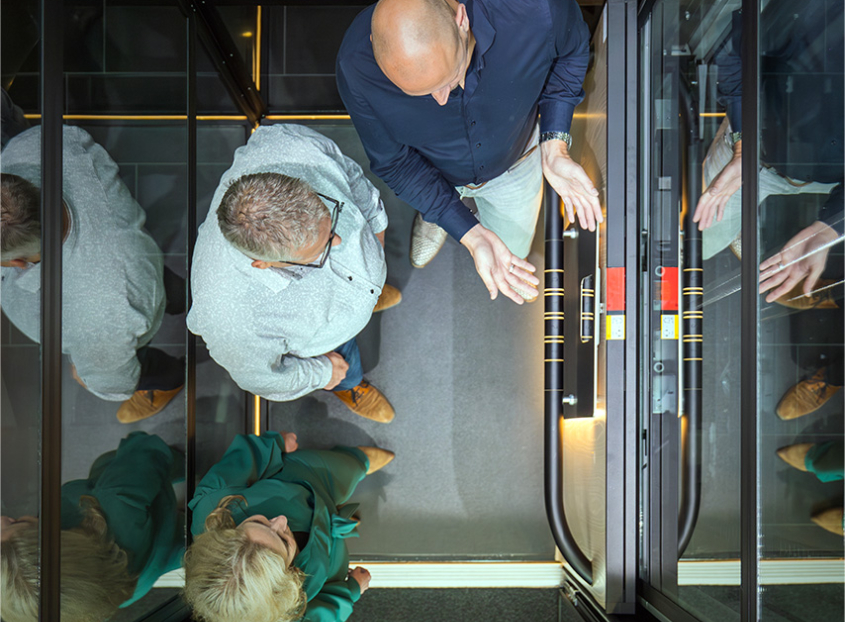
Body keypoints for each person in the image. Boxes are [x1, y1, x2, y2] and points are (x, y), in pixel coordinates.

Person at [336, 0, 602, 305]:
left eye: (449, 81)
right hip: (434, 170)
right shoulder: (355, 65)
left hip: (516, 161)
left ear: (461, 19)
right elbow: (395, 163)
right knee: (439, 203)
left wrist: (554, 142)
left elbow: (572, 54)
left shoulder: (537, 10)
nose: (439, 100)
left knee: (513, 248)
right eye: (418, 94)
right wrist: (467, 231)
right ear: (373, 44)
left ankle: (441, 210)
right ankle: (440, 211)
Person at [187, 124, 399, 423]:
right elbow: (263, 380)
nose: (339, 241)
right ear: (264, 264)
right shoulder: (231, 322)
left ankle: (371, 297)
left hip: (351, 295)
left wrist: (376, 233)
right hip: (329, 337)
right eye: (322, 249)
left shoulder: (290, 144)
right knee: (344, 362)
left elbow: (351, 176)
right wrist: (324, 371)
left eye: (330, 219)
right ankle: (349, 385)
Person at [0, 125, 185, 423]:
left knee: (143, 365)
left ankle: (172, 378)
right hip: (138, 265)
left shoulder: (97, 323)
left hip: (119, 311)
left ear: (18, 263)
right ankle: (191, 301)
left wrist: (86, 371)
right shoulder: (33, 146)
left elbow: (114, 382)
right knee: (172, 290)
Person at [691, 1, 844, 305]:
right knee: (694, 243)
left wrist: (832, 227)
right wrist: (741, 143)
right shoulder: (823, 12)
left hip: (831, 179)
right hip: (756, 158)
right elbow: (735, 46)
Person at [183, 430, 393, 622]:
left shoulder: (214, 502)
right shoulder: (279, 620)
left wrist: (274, 443)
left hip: (303, 478)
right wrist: (351, 590)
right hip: (329, 551)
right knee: (338, 510)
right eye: (282, 540)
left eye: (258, 522)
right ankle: (340, 513)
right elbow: (321, 613)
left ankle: (358, 462)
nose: (280, 520)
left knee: (345, 467)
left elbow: (243, 459)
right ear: (283, 586)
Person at [0, 432, 185, 622]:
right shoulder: (115, 498)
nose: (2, 519)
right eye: (16, 523)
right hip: (156, 517)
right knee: (106, 462)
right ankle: (183, 465)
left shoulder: (58, 616)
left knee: (178, 548)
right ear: (64, 547)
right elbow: (147, 452)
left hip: (142, 576)